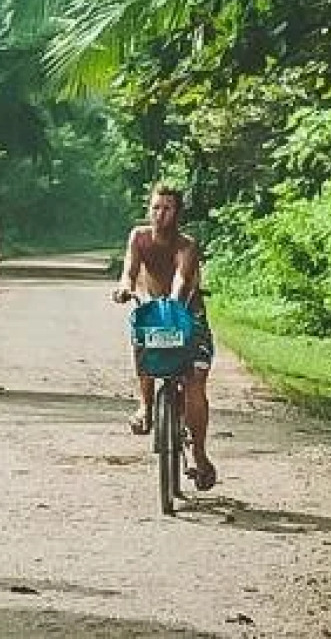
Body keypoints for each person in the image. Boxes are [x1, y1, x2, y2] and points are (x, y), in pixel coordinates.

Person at [112, 184, 216, 491]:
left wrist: (172, 301)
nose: (160, 214)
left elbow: (183, 278)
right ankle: (145, 406)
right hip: (155, 312)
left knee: (195, 379)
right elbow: (129, 270)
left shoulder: (187, 244)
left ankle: (198, 451)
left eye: (167, 209)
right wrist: (124, 288)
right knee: (141, 342)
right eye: (155, 208)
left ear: (178, 213)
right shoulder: (138, 237)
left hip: (187, 315)